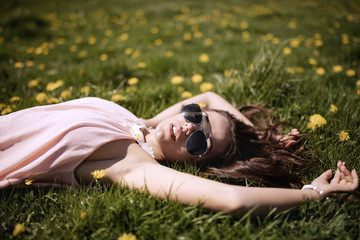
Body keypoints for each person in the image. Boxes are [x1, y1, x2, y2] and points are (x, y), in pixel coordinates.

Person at [0, 91, 358, 216]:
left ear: (193, 163)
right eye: (193, 115)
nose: (189, 127)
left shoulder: (129, 162)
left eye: (199, 143)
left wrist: (313, 194)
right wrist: (263, 138)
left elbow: (230, 199)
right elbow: (213, 98)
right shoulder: (134, 122)